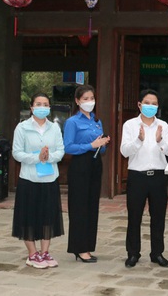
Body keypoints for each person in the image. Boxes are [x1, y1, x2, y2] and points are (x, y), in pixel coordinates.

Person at [120, 89, 168, 268]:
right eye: (147, 102)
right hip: (137, 176)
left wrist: (160, 141)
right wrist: (139, 140)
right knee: (134, 216)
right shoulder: (130, 125)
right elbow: (124, 151)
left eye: (154, 103)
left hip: (158, 176)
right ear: (139, 104)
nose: (150, 106)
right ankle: (133, 253)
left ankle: (157, 253)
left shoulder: (163, 126)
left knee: (158, 216)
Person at [11, 93, 65, 269]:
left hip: (50, 178)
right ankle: (32, 254)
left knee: (48, 215)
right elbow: (17, 153)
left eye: (45, 104)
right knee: (29, 216)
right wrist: (37, 157)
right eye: (38, 104)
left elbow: (61, 151)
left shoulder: (54, 128)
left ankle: (45, 252)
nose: (42, 107)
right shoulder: (22, 128)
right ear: (32, 107)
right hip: (29, 178)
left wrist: (48, 157)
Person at [63, 84, 110, 263]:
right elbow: (68, 147)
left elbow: (102, 150)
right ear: (77, 101)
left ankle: (88, 245)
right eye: (85, 99)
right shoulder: (72, 122)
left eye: (92, 99)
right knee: (79, 206)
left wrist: (103, 144)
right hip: (80, 165)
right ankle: (79, 248)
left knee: (92, 206)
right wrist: (90, 146)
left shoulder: (97, 121)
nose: (89, 102)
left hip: (96, 163)